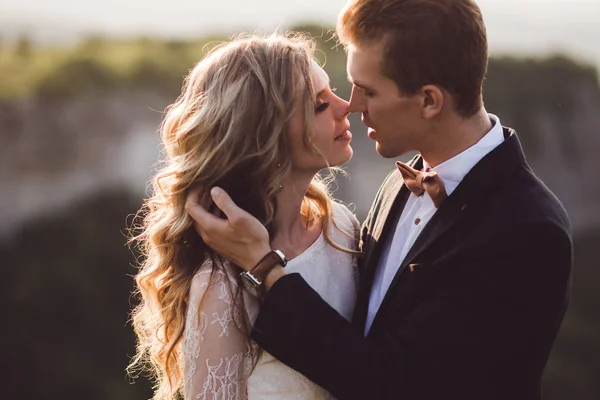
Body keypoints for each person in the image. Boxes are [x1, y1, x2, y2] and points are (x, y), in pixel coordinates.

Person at [185, 0, 574, 399]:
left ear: (429, 101)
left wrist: (265, 267)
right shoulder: (396, 188)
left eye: (367, 90)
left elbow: (394, 384)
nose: (351, 105)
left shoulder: (527, 232)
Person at [128, 33, 362, 400]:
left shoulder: (342, 228)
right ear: (266, 134)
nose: (345, 105)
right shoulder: (221, 284)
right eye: (319, 104)